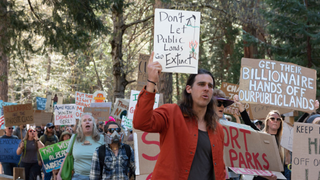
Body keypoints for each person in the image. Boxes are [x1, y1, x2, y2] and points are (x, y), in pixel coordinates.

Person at [133, 52, 226, 180]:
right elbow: (140, 122)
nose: (206, 88)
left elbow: (219, 169)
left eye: (210, 86)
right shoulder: (171, 113)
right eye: (201, 84)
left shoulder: (218, 129)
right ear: (189, 89)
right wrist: (151, 82)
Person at [234, 95, 282, 180]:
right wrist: (240, 105)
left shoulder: (283, 141)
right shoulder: (261, 135)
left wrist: (309, 112)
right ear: (267, 122)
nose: (275, 121)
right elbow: (249, 123)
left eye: (278, 119)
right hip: (261, 177)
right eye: (272, 118)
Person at [58, 113, 104, 180]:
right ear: (81, 125)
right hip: (77, 177)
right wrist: (59, 173)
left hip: (97, 177)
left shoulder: (102, 138)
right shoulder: (74, 138)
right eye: (84, 120)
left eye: (89, 120)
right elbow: (66, 157)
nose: (87, 122)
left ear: (93, 124)